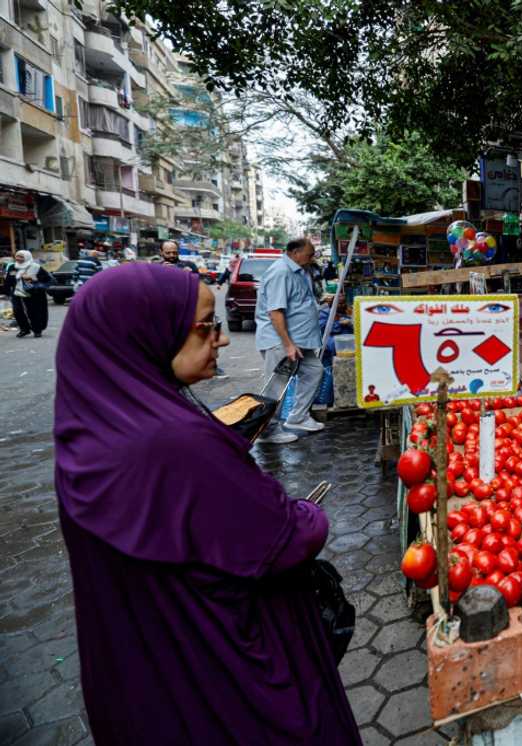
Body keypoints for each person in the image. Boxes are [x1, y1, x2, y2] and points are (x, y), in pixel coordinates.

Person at [53, 264, 361, 745]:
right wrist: (307, 512)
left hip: (146, 677)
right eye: (205, 326)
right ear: (146, 331)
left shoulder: (88, 432)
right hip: (229, 677)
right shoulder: (176, 444)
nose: (219, 339)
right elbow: (286, 538)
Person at [255, 238, 326, 443]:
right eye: (309, 253)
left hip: (299, 339)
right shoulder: (281, 272)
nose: (312, 258)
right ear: (295, 252)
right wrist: (287, 344)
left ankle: (298, 417)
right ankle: (268, 431)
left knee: (314, 371)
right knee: (277, 386)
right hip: (281, 341)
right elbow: (275, 311)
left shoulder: (298, 270)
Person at [4, 250, 50, 337]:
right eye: (17, 256)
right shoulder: (13, 267)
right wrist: (6, 292)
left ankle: (37, 330)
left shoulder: (36, 267)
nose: (18, 259)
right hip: (17, 293)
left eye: (21, 257)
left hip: (33, 293)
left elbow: (47, 279)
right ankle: (25, 329)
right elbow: (8, 280)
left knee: (33, 312)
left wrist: (34, 279)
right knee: (17, 311)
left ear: (27, 257)